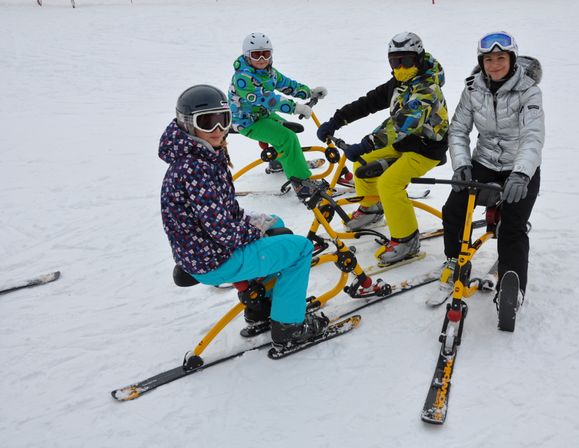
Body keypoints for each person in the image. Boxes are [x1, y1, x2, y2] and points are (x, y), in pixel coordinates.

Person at [159, 84, 328, 348]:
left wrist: (257, 224)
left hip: (202, 251)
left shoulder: (197, 154)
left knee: (277, 223)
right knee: (301, 249)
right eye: (207, 122)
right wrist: (255, 231)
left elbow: (221, 212)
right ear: (188, 124)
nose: (217, 130)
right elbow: (224, 231)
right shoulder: (196, 168)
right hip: (214, 259)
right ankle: (288, 328)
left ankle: (261, 308)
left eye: (222, 120)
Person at [432, 31, 544, 307]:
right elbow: (458, 130)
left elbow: (532, 136)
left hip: (519, 167)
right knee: (455, 209)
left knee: (512, 227)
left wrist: (521, 173)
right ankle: (455, 259)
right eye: (489, 59)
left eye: (501, 58)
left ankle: (511, 286)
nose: (494, 65)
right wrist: (461, 165)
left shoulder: (529, 91)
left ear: (512, 59)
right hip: (483, 162)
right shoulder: (473, 89)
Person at [316, 32, 449, 264]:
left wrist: (367, 142)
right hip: (403, 144)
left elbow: (403, 122)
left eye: (405, 61)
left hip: (426, 149)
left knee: (390, 183)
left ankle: (407, 240)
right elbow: (369, 102)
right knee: (362, 160)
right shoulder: (399, 82)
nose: (399, 67)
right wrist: (337, 120)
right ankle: (372, 207)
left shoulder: (428, 89)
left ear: (417, 59)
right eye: (394, 62)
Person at [228, 32, 328, 199]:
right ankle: (303, 184)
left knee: (287, 130)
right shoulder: (242, 78)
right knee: (287, 138)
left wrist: (309, 92)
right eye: (256, 54)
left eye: (266, 54)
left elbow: (287, 85)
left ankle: (280, 161)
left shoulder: (269, 72)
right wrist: (295, 108)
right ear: (247, 56)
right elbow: (268, 99)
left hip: (263, 115)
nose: (261, 59)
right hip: (247, 121)